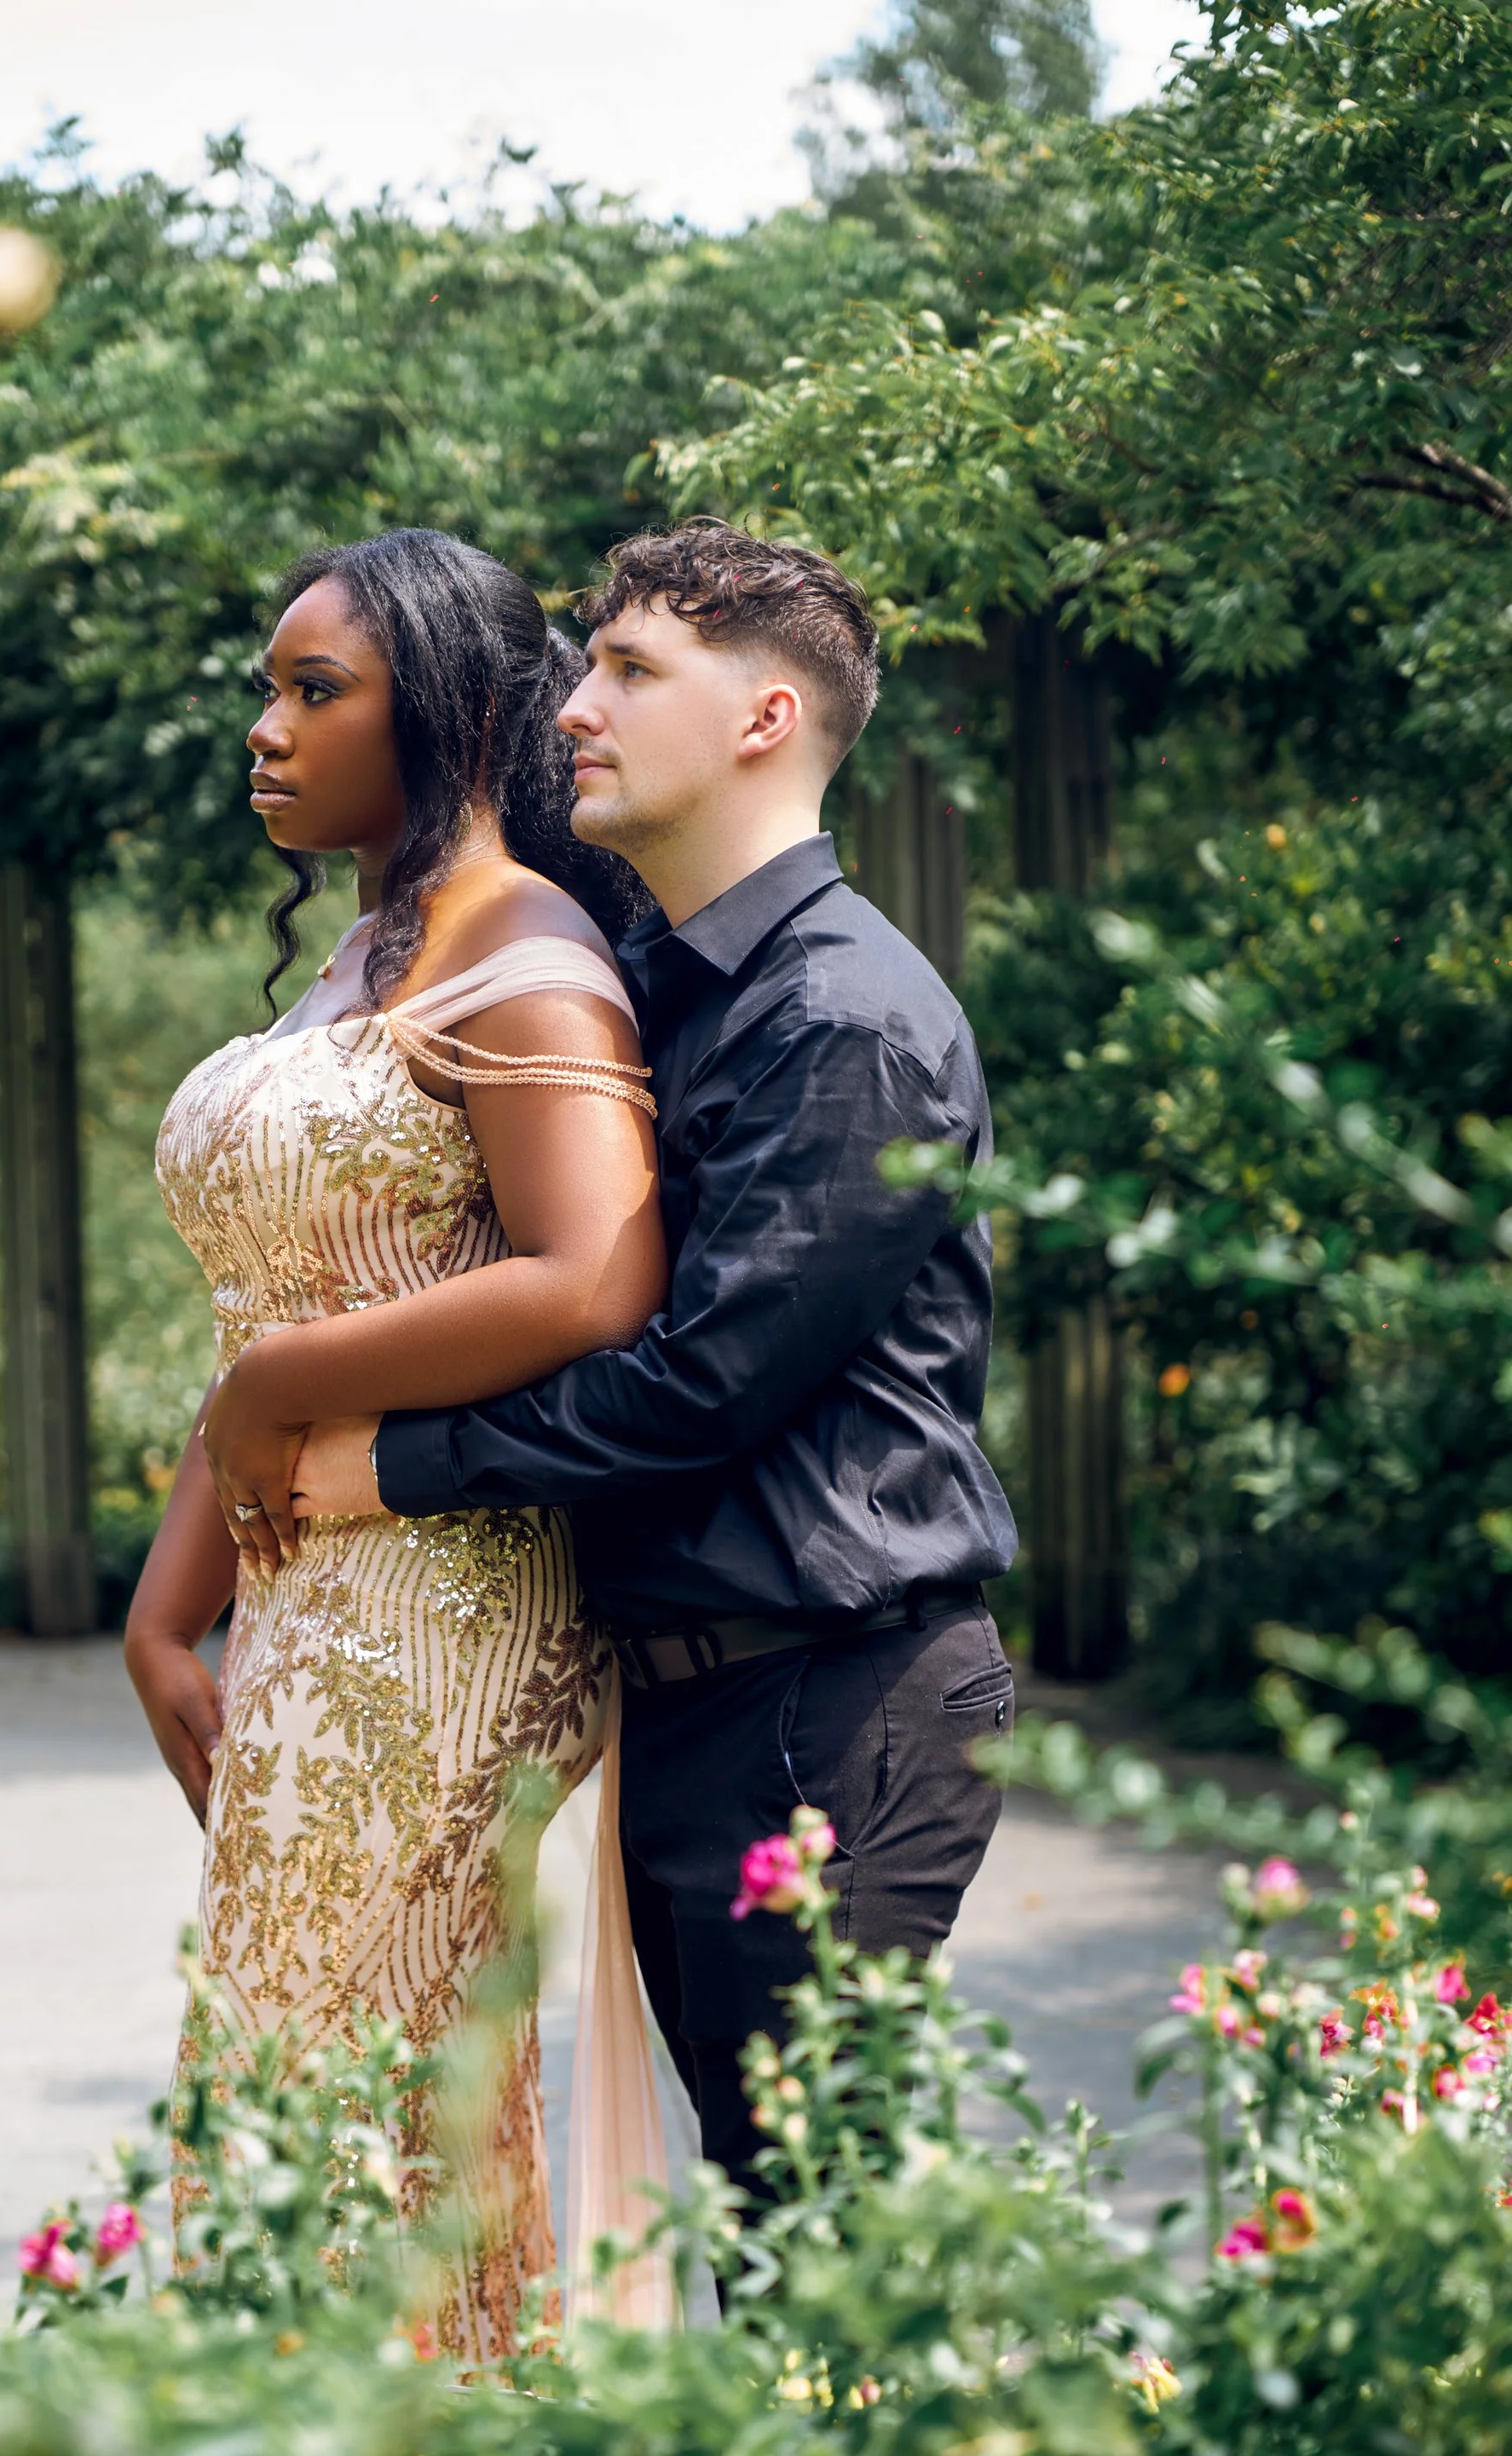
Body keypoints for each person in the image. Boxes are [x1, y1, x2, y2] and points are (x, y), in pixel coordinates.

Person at [282, 519, 1020, 2209]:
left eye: (628, 670)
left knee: (819, 2239)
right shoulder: (662, 994)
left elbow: (699, 1383)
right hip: (698, 1702)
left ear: (764, 718)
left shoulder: (844, 1019)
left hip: (833, 1703)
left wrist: (389, 1462)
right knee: (771, 2242)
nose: (571, 711)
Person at [124, 528, 664, 2360]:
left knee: (349, 2074)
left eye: (312, 689)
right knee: (284, 2062)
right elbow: (263, 1311)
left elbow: (591, 1274)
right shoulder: (362, 953)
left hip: (444, 1602)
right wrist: (157, 1614)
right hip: (303, 1605)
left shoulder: (527, 950)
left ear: (452, 709)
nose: (263, 732)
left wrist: (274, 1398)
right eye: (264, 690)